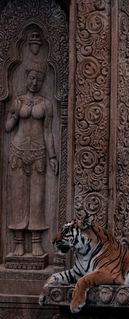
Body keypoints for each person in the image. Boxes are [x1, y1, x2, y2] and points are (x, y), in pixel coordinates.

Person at [5, 62, 58, 256]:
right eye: (32, 78)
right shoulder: (18, 101)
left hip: (39, 153)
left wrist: (52, 155)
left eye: (39, 79)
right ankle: (18, 243)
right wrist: (14, 114)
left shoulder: (46, 104)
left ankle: (36, 242)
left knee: (37, 199)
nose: (35, 82)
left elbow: (48, 132)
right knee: (18, 198)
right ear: (26, 78)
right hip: (18, 151)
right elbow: (8, 128)